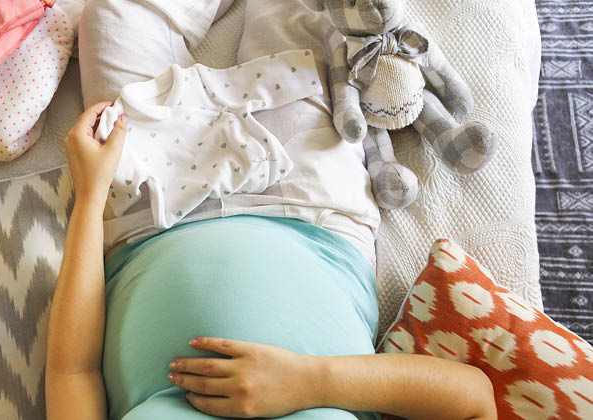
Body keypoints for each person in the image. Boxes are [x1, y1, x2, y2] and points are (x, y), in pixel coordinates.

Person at [45, 1, 498, 419]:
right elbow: (473, 397)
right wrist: (310, 382)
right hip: (312, 213)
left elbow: (73, 373)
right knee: (303, 16)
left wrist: (89, 196)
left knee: (116, 12)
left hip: (150, 217)